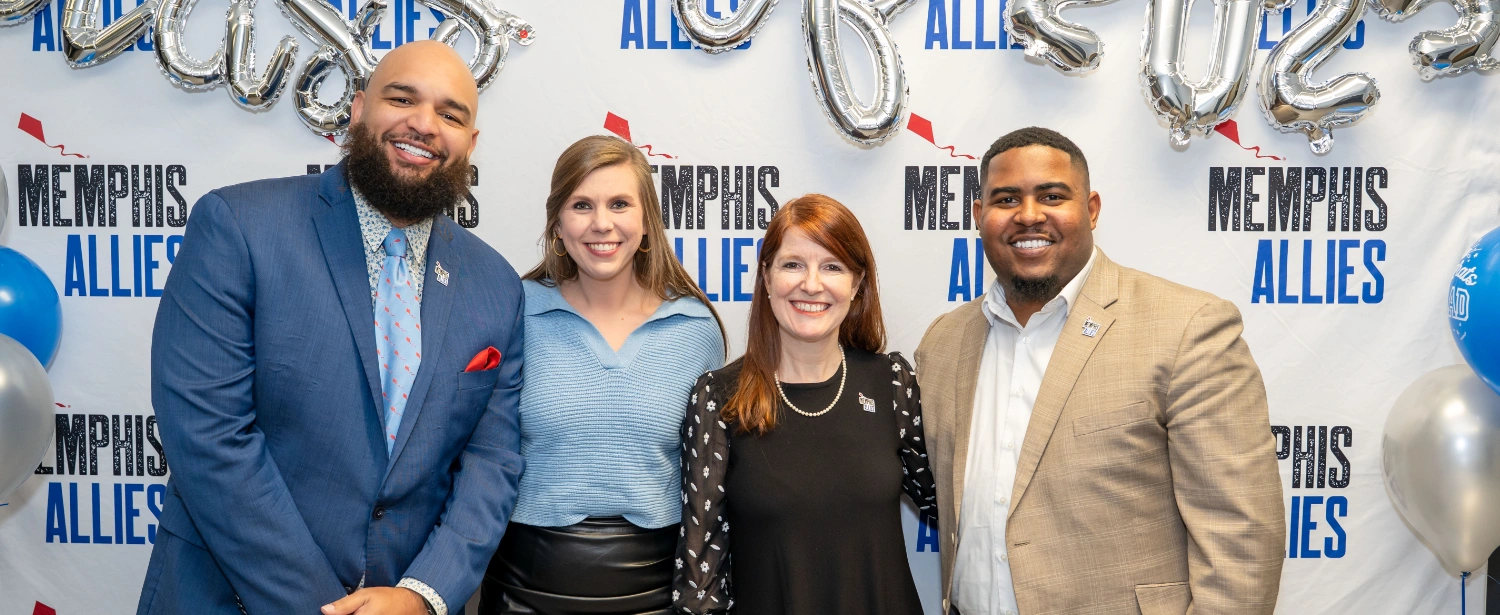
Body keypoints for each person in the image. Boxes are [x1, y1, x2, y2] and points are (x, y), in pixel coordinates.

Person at [137, 41, 523, 615]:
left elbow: (492, 462)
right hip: (230, 597)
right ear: (359, 108)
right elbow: (209, 436)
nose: (424, 124)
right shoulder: (240, 227)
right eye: (402, 99)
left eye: (451, 114)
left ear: (471, 142)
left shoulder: (495, 283)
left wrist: (423, 594)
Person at [915, 126, 1285, 615]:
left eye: (1051, 196)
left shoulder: (1186, 329)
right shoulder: (942, 343)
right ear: (979, 216)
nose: (1029, 216)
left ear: (1091, 210)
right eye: (1006, 199)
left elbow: (1242, 543)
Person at [477, 135, 726, 615]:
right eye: (581, 205)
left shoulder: (696, 330)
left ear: (647, 223)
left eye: (619, 204)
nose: (601, 223)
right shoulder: (513, 313)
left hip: (656, 593)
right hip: (524, 590)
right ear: (557, 224)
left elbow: (710, 484)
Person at [674, 194, 938, 615]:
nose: (811, 284)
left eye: (832, 266)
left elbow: (957, 508)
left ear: (856, 283)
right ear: (766, 276)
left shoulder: (892, 384)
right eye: (793, 264)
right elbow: (699, 581)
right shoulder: (719, 399)